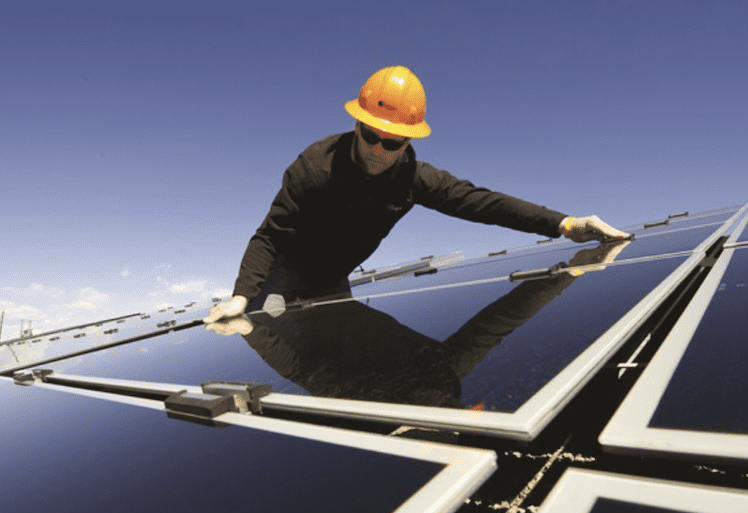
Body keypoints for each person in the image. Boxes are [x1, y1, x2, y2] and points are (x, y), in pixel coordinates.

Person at [204, 65, 629, 325]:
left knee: (335, 345)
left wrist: (566, 224)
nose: (377, 150)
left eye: (392, 144)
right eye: (370, 136)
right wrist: (242, 295)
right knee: (262, 331)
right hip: (286, 269)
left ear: (408, 142)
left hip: (333, 279)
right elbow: (270, 235)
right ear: (357, 125)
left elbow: (483, 202)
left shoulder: (414, 178)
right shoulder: (313, 167)